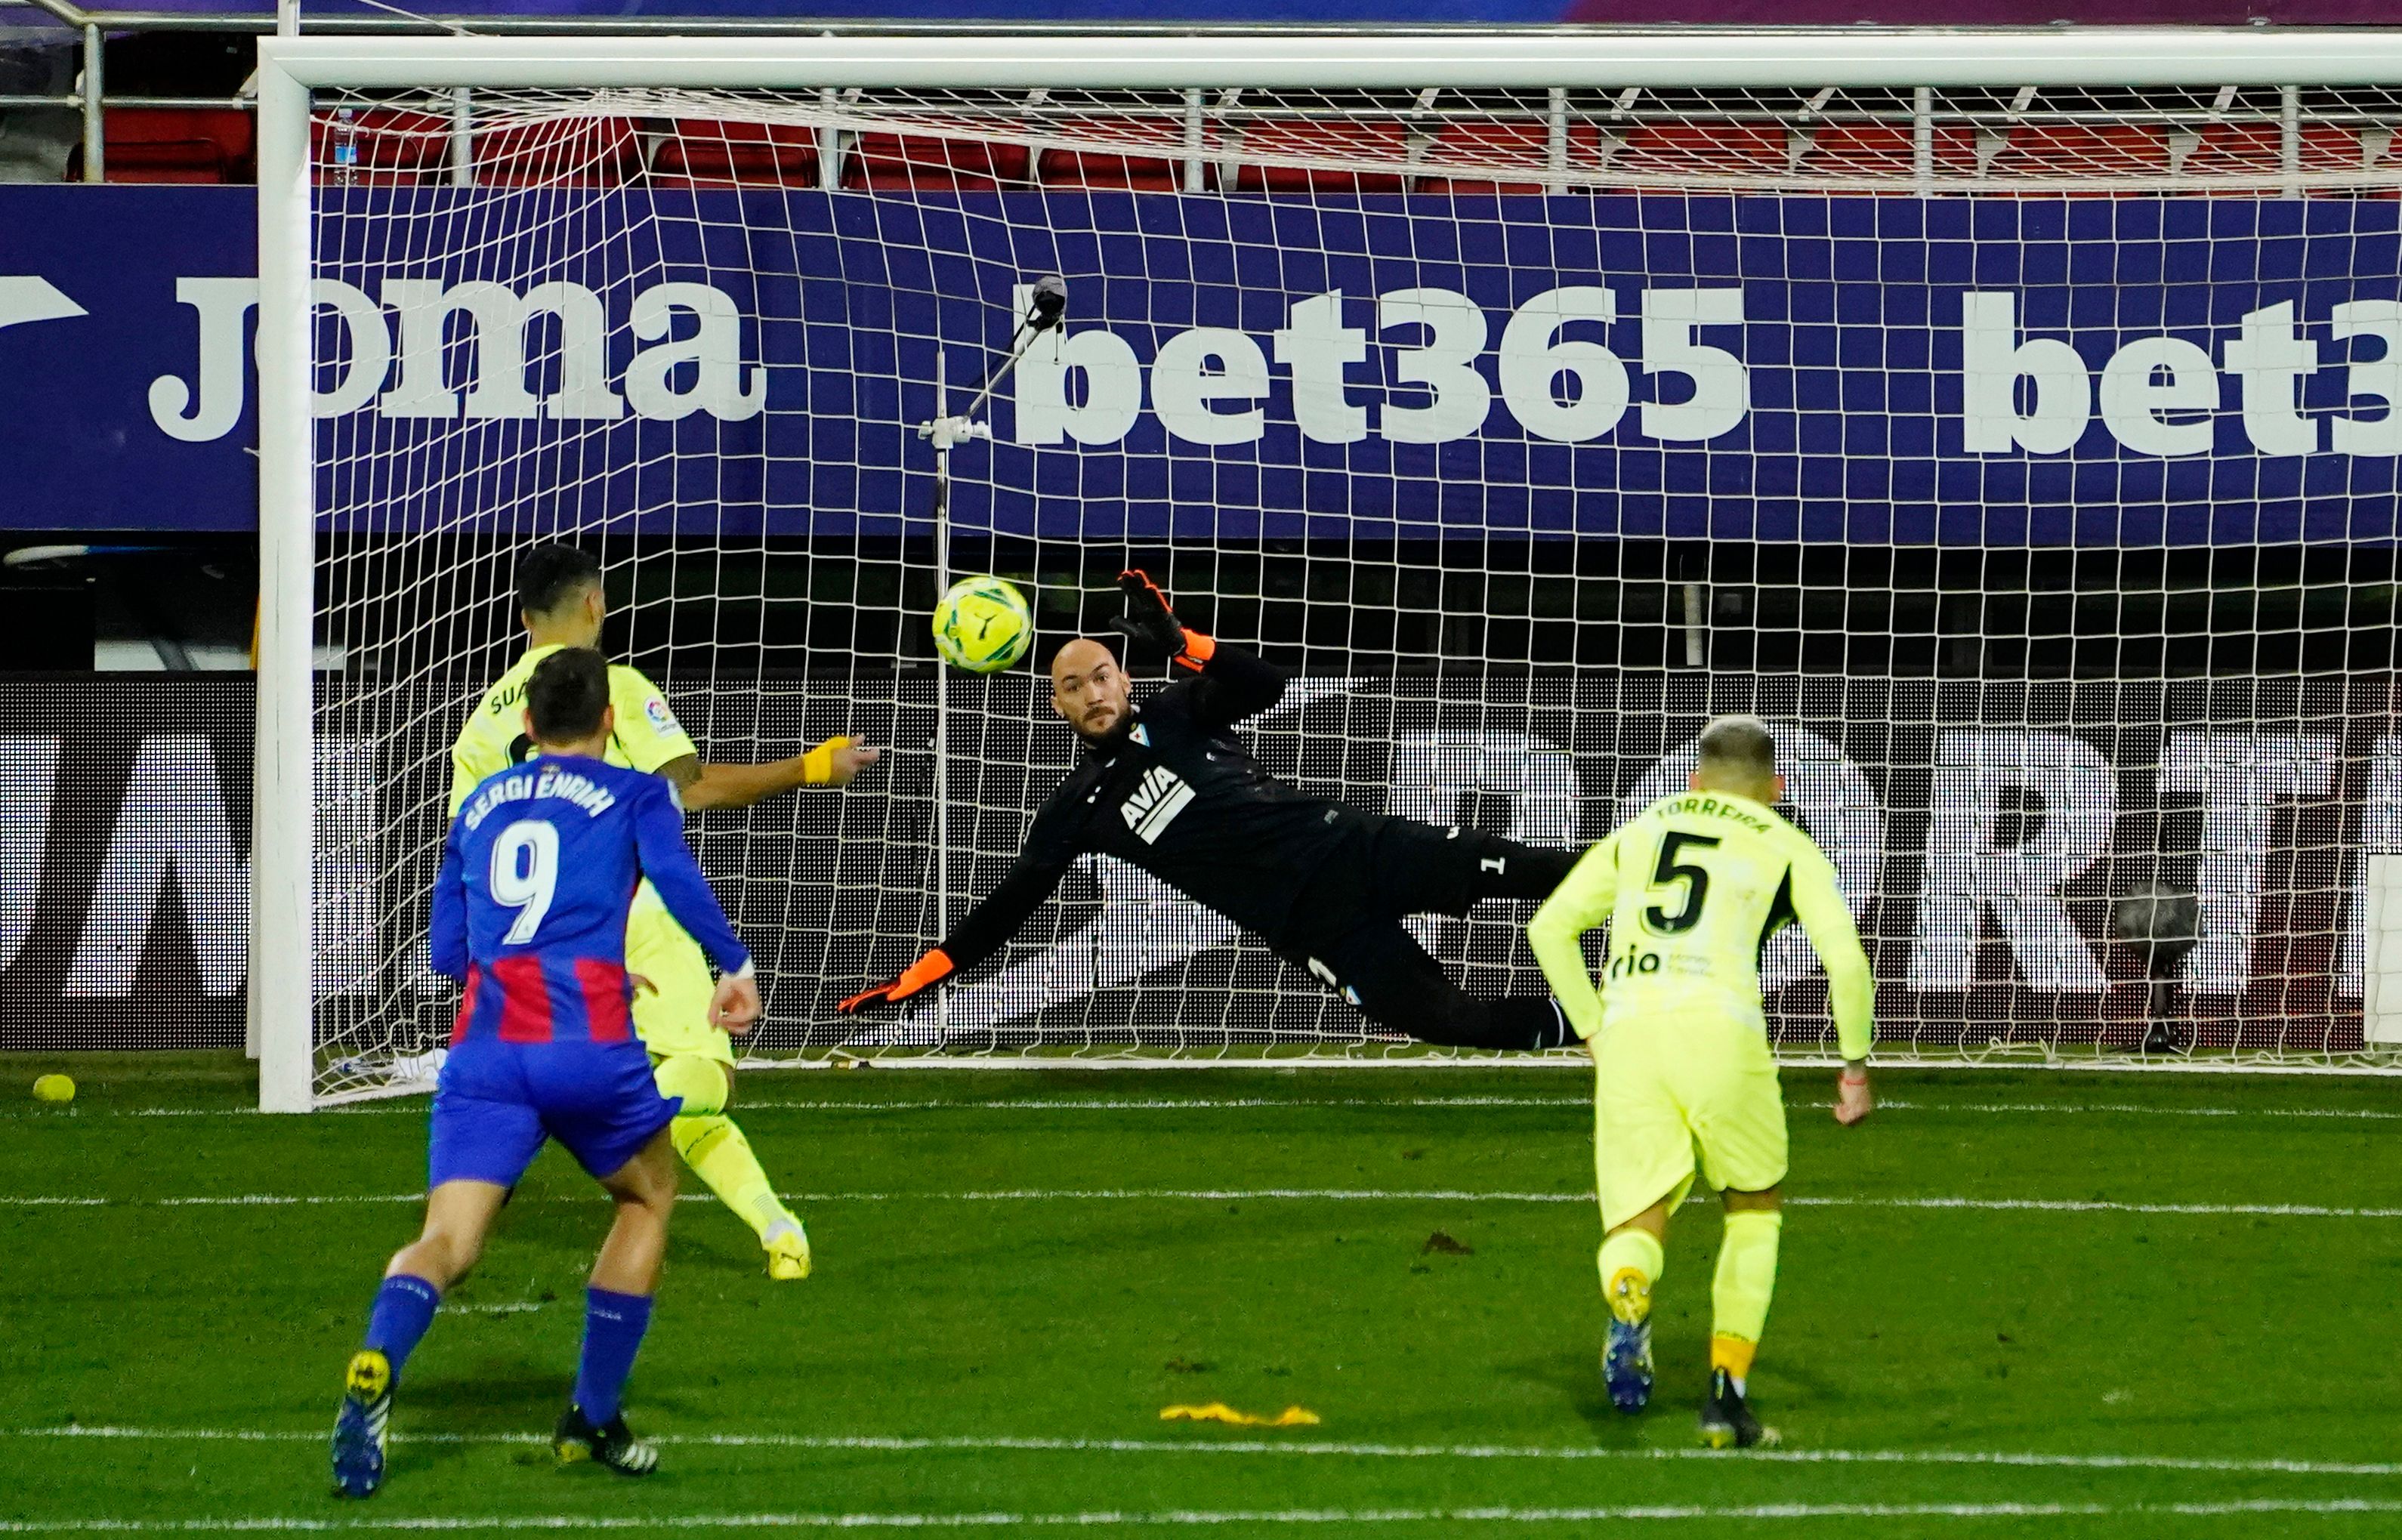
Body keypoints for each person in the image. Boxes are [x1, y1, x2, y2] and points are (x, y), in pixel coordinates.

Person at [332, 648, 761, 1498]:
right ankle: (591, 1416)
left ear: (527, 724)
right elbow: (674, 876)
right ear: (608, 719)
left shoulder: (478, 803)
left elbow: (448, 952)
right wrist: (733, 964)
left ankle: (379, 1355)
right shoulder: (637, 792)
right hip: (587, 1047)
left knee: (447, 1241)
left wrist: (548, 968)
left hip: (488, 1050)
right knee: (648, 1196)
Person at [840, 572, 1578, 1051]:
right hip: (1312, 926)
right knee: (1446, 1019)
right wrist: (921, 975)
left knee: (1544, 872)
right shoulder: (1077, 808)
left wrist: (1185, 643)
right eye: (1074, 686)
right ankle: (1599, 1022)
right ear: (1057, 704)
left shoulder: (1179, 710)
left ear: (1124, 680)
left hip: (1357, 847)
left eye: (1101, 676)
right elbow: (1006, 909)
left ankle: (1652, 885)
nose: (1092, 693)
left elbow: (1264, 685)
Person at [449, 544, 878, 1281]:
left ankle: (778, 1228)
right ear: (596, 604)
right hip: (634, 910)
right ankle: (574, 1113)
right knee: (704, 1078)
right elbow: (690, 786)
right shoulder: (612, 687)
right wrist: (811, 766)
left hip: (537, 938)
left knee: (662, 1094)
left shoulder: (481, 726)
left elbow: (471, 851)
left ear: (523, 619)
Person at [1527, 714, 1875, 1449]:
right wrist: (1853, 1066)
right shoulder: (1786, 841)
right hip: (1722, 1030)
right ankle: (1725, 1399)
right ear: (1776, 787)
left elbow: (1549, 927)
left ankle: (1628, 1286)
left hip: (1632, 1031)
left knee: (1636, 1219)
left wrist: (1593, 1028)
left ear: (1693, 781)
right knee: (1753, 1207)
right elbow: (1846, 963)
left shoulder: (1641, 829)